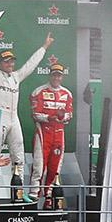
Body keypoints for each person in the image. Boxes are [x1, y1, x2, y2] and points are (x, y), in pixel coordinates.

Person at [0, 33, 50, 199]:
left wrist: (44, 47)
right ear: (0, 63)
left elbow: (30, 65)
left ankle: (19, 191)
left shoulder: (16, 76)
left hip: (13, 116)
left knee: (19, 153)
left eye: (12, 61)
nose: (10, 64)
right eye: (7, 61)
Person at [31, 57, 74, 206]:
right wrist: (51, 117)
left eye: (59, 75)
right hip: (43, 133)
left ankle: (48, 197)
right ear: (50, 75)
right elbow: (35, 114)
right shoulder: (39, 91)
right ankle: (33, 196)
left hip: (59, 134)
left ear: (62, 76)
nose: (56, 77)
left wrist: (63, 117)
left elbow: (69, 114)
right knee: (39, 166)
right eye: (54, 75)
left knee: (55, 167)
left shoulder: (67, 94)